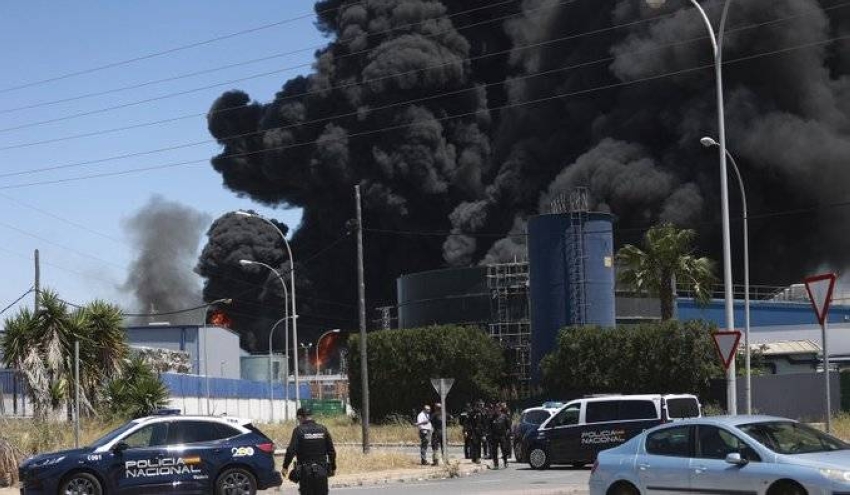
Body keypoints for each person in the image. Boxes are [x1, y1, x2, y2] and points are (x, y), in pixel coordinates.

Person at [282, 407, 337, 495]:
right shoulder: (323, 429)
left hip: (305, 472)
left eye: (298, 419)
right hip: (322, 471)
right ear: (311, 416)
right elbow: (331, 451)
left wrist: (285, 466)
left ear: (300, 417)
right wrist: (333, 467)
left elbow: (291, 451)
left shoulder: (298, 430)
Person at [489, 403, 512, 469]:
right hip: (494, 436)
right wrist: (490, 435)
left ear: (500, 409)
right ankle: (496, 464)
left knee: (504, 450)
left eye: (498, 408)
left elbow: (508, 426)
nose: (497, 409)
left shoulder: (504, 416)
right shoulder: (492, 417)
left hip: (502, 436)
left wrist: (507, 434)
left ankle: (505, 462)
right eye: (496, 408)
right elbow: (489, 427)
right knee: (494, 451)